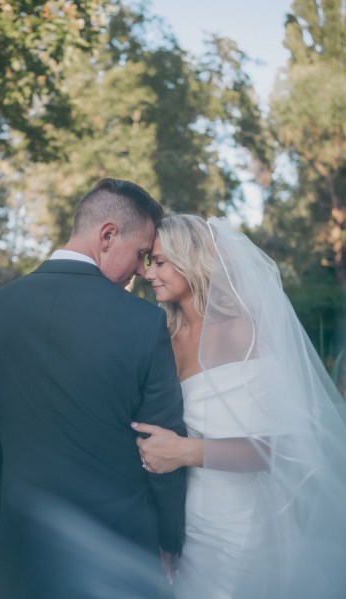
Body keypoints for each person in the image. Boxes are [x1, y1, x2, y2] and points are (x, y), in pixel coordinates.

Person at [0, 178, 186, 599]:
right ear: (107, 235)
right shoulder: (143, 323)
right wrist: (170, 541)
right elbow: (162, 448)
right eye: (140, 254)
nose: (142, 270)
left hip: (21, 554)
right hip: (122, 556)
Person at [132, 214, 346, 599]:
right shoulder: (164, 334)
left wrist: (185, 451)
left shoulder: (243, 331)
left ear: (193, 260)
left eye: (161, 262)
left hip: (238, 525)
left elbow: (279, 448)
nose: (150, 273)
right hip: (184, 520)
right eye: (149, 261)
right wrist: (165, 535)